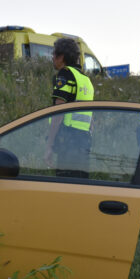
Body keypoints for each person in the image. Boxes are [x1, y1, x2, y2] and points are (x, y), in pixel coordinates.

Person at [44, 38, 94, 178]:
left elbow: (58, 113)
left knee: (65, 188)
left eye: (54, 54)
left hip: (68, 142)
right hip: (84, 141)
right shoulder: (86, 79)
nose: (52, 58)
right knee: (80, 189)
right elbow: (92, 119)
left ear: (62, 57)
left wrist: (49, 144)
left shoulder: (65, 74)